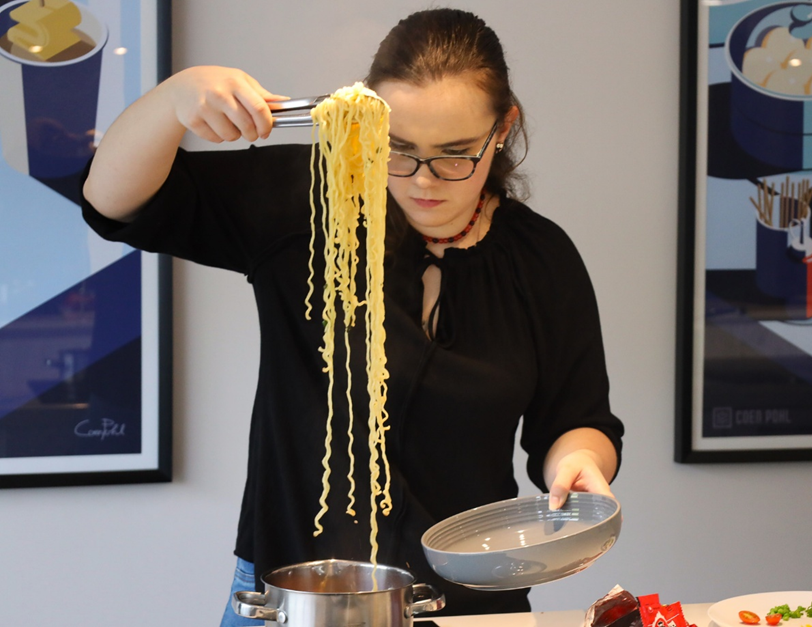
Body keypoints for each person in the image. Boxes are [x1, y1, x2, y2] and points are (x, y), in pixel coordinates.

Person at [81, 7, 624, 624]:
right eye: (398, 149)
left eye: (454, 155)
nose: (423, 180)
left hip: (468, 602)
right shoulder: (313, 200)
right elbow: (111, 203)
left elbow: (575, 419)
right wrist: (174, 100)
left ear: (502, 129)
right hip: (294, 598)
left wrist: (578, 463)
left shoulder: (539, 259)